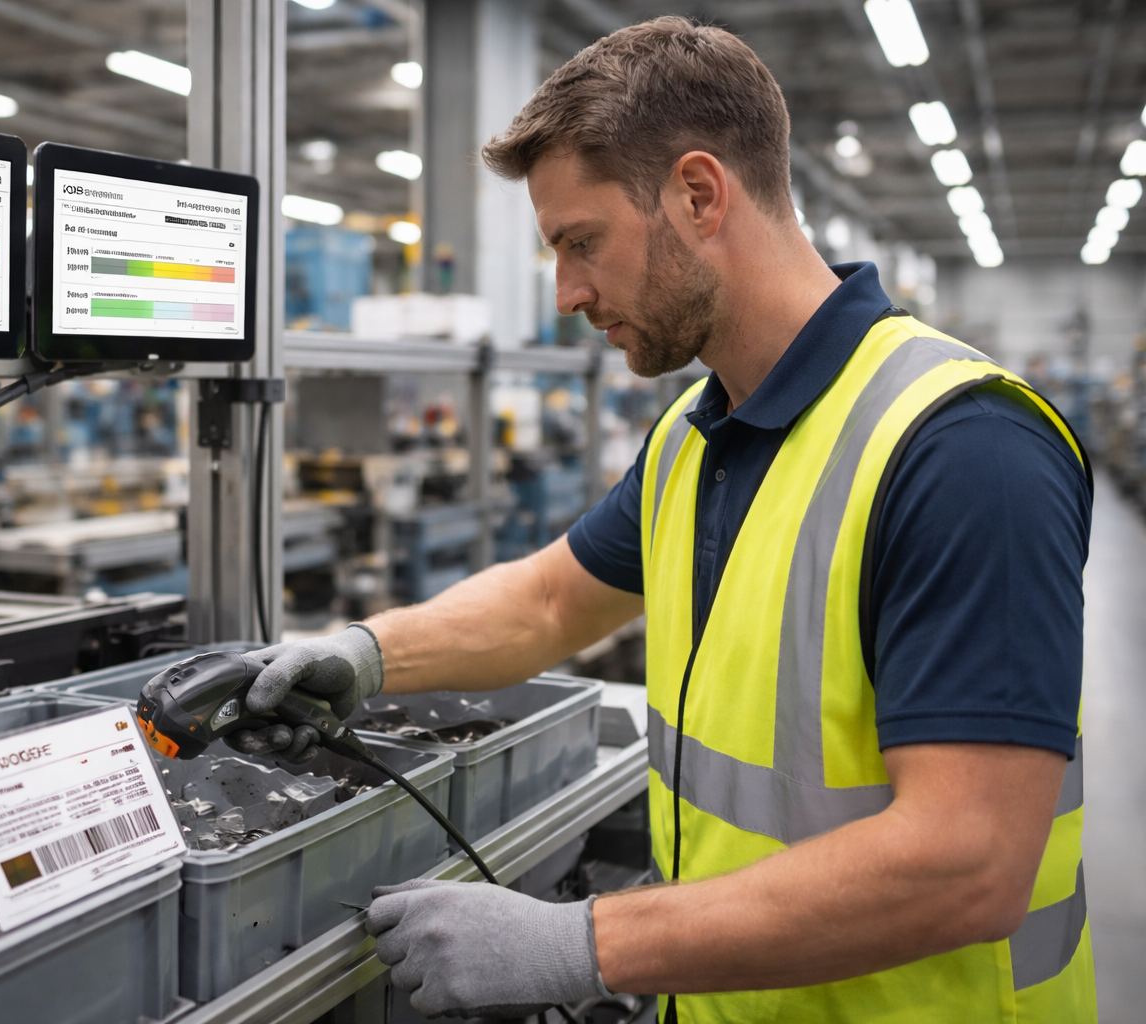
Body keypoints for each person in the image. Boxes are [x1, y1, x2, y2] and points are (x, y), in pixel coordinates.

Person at [207, 17, 1094, 1022]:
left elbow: (968, 861)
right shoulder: (694, 435)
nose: (568, 291)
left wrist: (587, 942)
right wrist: (364, 654)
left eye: (582, 243)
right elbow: (548, 601)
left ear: (699, 194)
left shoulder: (962, 449)